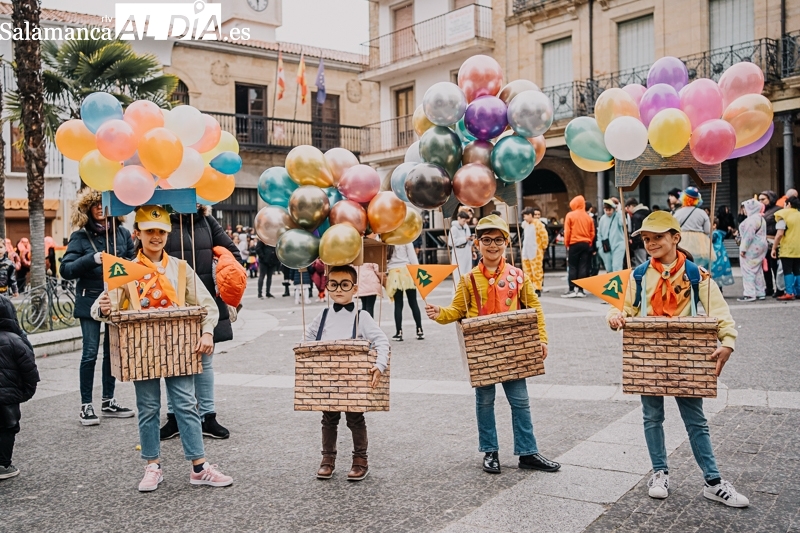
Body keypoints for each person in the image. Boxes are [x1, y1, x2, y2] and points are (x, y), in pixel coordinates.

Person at [607, 211, 748, 508]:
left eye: (658, 237)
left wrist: (728, 342)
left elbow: (720, 313)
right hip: (648, 355)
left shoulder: (697, 275)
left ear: (675, 237)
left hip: (687, 356)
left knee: (696, 420)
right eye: (646, 239)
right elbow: (625, 309)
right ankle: (659, 472)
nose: (651, 243)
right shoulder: (638, 275)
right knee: (651, 416)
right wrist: (616, 316)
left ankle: (713, 481)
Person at [93, 206, 232, 492]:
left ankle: (199, 466)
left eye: (160, 231)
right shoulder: (125, 269)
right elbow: (101, 307)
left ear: (167, 234)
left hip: (179, 348)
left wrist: (207, 332)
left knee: (185, 404)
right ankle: (152, 466)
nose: (155, 236)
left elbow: (207, 305)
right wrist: (104, 308)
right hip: (141, 349)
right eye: (149, 231)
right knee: (148, 407)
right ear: (137, 234)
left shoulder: (181, 268)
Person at [425, 215, 560, 475]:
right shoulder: (468, 280)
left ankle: (528, 452)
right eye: (486, 240)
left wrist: (541, 339)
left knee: (520, 401)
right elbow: (456, 310)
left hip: (514, 349)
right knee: (484, 401)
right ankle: (490, 451)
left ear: (507, 243)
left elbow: (535, 308)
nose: (492, 245)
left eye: (498, 240)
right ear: (477, 244)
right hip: (482, 350)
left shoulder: (518, 276)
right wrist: (439, 313)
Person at [160, 205, 241, 441]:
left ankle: (208, 416)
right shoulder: (162, 219)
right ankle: (174, 417)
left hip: (205, 301)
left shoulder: (206, 221)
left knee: (205, 361)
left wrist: (221, 269)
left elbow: (232, 253)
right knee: (172, 362)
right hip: (170, 302)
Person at [306, 265, 389, 482]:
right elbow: (309, 337)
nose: (339, 289)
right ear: (327, 286)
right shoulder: (322, 315)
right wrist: (310, 358)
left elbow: (381, 340)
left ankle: (360, 460)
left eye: (344, 284)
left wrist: (379, 365)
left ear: (355, 288)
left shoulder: (362, 316)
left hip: (353, 380)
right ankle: (327, 459)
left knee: (355, 418)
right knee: (328, 418)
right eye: (333, 284)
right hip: (328, 379)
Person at [60, 189, 135, 426]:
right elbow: (66, 269)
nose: (101, 208)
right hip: (89, 300)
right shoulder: (79, 236)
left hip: (115, 300)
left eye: (105, 203)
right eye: (96, 204)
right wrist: (91, 259)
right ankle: (86, 406)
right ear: (88, 209)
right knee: (90, 353)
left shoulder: (122, 233)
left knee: (111, 353)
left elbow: (132, 261)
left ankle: (108, 401)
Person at [0, 296, 39, 480]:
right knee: (8, 427)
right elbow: (29, 368)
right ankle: (3, 464)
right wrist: (26, 391)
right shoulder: (15, 340)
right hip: (9, 396)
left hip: (9, 394)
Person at [385, 243, 423, 341]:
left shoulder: (388, 240)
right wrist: (418, 272)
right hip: (407, 271)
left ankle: (399, 332)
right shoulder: (406, 239)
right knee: (413, 302)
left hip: (394, 272)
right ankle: (419, 329)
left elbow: (385, 259)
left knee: (398, 304)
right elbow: (413, 257)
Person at [562, 195, 595, 298]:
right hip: (585, 243)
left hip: (574, 243)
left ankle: (572, 289)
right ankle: (581, 290)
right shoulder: (588, 217)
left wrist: (566, 243)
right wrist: (589, 242)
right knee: (583, 266)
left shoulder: (570, 215)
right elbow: (592, 232)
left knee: (572, 266)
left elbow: (567, 231)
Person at [672, 187, 713, 269]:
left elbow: (673, 228)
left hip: (682, 241)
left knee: (683, 265)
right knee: (699, 267)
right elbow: (708, 230)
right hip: (700, 243)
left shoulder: (677, 213)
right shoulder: (702, 213)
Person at [737, 198, 768, 302]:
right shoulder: (760, 218)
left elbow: (748, 236)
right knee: (758, 270)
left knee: (748, 270)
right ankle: (760, 292)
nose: (744, 210)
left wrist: (743, 249)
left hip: (751, 248)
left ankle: (749, 294)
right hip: (762, 247)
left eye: (745, 208)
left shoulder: (751, 220)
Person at [772, 196, 800, 300]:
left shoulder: (783, 215)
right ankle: (798, 291)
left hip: (788, 248)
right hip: (798, 248)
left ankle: (789, 292)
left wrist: (774, 248)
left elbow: (779, 234)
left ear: (788, 204)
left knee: (787, 270)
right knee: (797, 270)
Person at [761, 190, 785, 297]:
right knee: (765, 267)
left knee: (775, 266)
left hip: (774, 241)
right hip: (763, 242)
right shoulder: (761, 211)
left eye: (763, 199)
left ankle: (779, 288)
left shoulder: (779, 210)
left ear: (770, 199)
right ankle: (769, 287)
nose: (761, 201)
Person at [520, 207, 549, 295]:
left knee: (536, 270)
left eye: (525, 216)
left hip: (535, 251)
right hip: (526, 251)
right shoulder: (525, 224)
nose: (524, 218)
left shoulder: (538, 224)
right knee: (527, 270)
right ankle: (530, 287)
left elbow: (544, 236)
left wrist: (544, 247)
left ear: (530, 215)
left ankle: (537, 288)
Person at [597, 199, 626, 273]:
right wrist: (600, 246)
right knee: (609, 268)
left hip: (618, 245)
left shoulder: (617, 216)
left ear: (614, 209)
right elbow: (599, 233)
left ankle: (618, 284)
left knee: (616, 266)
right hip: (606, 247)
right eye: (606, 209)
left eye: (610, 209)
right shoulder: (603, 219)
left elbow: (623, 223)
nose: (608, 212)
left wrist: (619, 211)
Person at [449, 211, 473, 284]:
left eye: (466, 221)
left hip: (467, 251)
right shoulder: (454, 228)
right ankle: (457, 292)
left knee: (467, 272)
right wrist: (465, 239)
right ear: (459, 218)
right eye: (463, 220)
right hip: (458, 252)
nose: (464, 222)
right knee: (458, 273)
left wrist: (471, 239)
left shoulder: (466, 226)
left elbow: (469, 240)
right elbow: (451, 242)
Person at [625, 198, 651, 267]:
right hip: (649, 241)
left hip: (640, 244)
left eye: (627, 207)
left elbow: (637, 232)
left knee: (641, 265)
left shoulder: (636, 216)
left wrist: (634, 243)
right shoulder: (647, 213)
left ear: (631, 206)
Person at [711, 220, 734, 291]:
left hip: (715, 255)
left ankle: (716, 288)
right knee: (719, 272)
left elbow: (710, 239)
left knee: (714, 271)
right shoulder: (720, 233)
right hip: (721, 255)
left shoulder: (714, 234)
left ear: (714, 225)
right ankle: (719, 288)